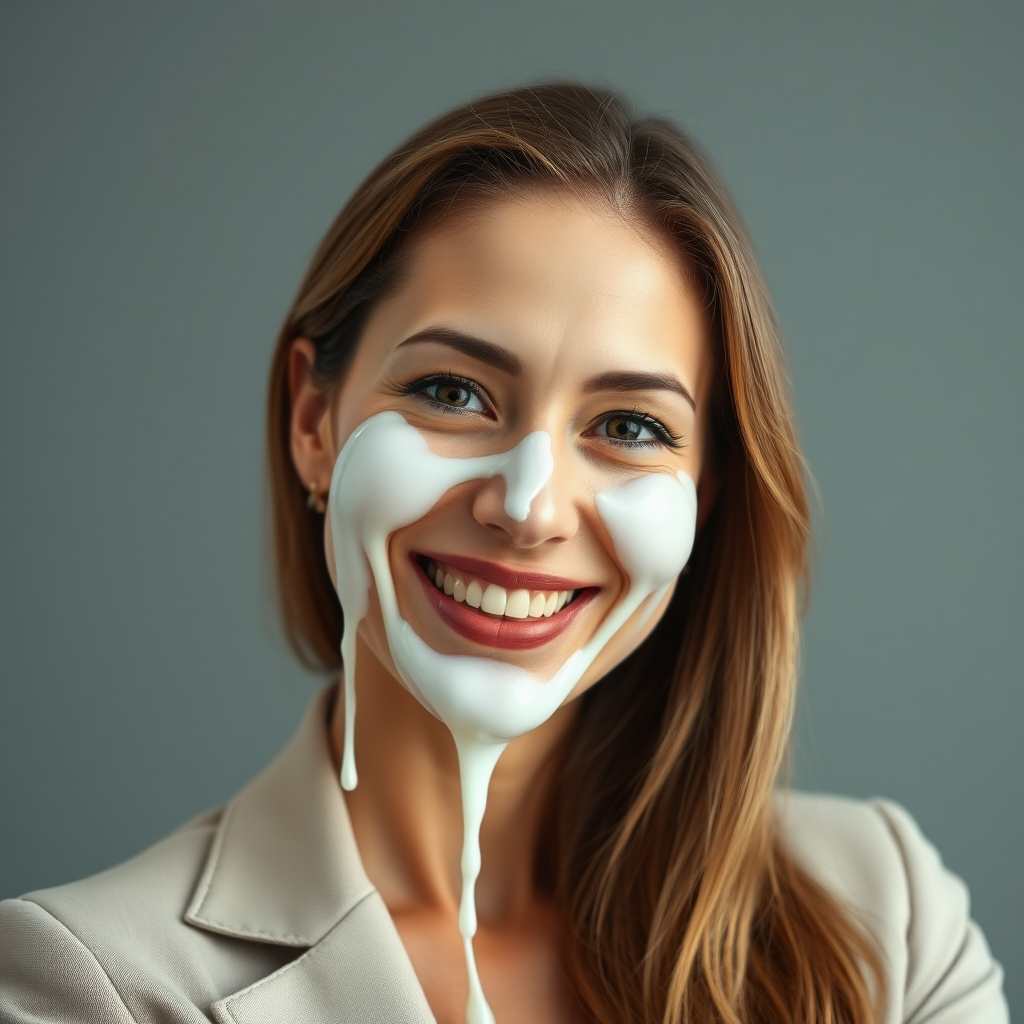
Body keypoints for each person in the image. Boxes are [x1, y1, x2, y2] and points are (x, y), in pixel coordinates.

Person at [0, 84, 1008, 1024]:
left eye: (629, 425)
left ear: (704, 498)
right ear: (315, 419)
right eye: (451, 392)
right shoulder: (94, 981)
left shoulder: (889, 918)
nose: (529, 506)